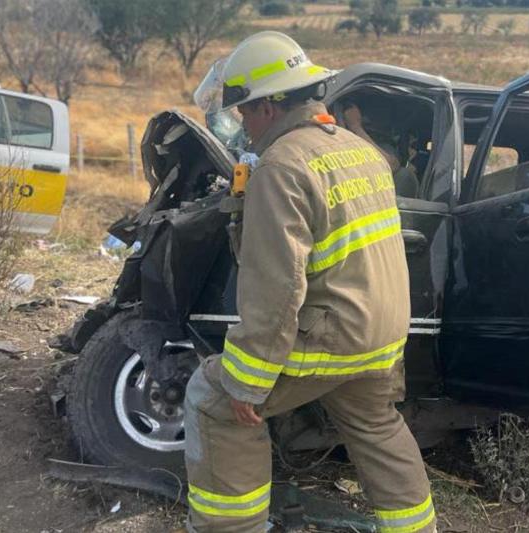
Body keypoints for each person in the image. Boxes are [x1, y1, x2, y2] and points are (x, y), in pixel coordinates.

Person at [183, 30, 436, 533]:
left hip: (331, 338)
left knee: (212, 399)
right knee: (376, 425)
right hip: (382, 339)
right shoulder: (361, 152)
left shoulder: (281, 165)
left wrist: (247, 383)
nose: (241, 123)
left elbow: (276, 289)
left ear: (269, 108)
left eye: (243, 111)